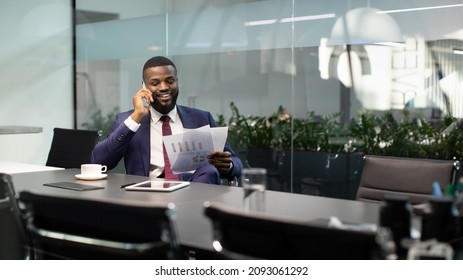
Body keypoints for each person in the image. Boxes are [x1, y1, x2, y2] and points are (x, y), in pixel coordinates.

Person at [91, 56, 243, 185]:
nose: (164, 87)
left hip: (193, 193)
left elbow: (236, 163)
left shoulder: (201, 118)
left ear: (177, 83)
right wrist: (137, 117)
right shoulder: (128, 121)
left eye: (170, 81)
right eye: (155, 83)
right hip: (146, 197)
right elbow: (99, 162)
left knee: (208, 170)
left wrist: (227, 165)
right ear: (144, 87)